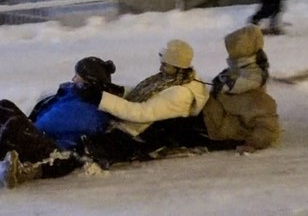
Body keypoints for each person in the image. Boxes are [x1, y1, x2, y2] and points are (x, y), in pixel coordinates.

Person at [0, 56, 123, 188]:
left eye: (78, 77)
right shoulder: (76, 95)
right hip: (46, 138)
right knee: (3, 107)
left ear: (87, 83)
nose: (72, 79)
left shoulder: (90, 111)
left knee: (16, 125)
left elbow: (44, 124)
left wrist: (24, 126)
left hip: (58, 155)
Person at [133, 25, 280, 155]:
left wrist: (252, 144)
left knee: (170, 126)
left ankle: (131, 147)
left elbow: (269, 127)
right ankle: (134, 137)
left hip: (214, 131)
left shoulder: (254, 94)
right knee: (169, 114)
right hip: (208, 116)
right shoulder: (234, 78)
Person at [75, 39, 210, 168]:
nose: (160, 68)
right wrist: (120, 92)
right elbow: (143, 95)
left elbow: (141, 112)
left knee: (85, 147)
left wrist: (102, 99)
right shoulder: (170, 79)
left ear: (178, 67)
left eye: (165, 65)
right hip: (140, 128)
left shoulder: (180, 93)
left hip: (140, 134)